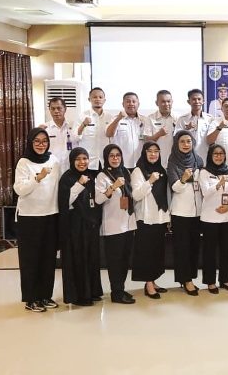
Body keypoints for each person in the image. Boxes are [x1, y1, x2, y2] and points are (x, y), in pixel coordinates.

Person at [13, 127, 61, 313]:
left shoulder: (54, 160)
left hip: (51, 214)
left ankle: (45, 295)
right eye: (37, 141)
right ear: (30, 142)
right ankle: (31, 299)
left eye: (44, 141)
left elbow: (58, 187)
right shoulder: (24, 162)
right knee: (30, 259)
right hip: (29, 217)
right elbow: (19, 189)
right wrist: (37, 178)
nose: (41, 145)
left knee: (48, 259)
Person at [58, 147, 103, 306]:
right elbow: (65, 202)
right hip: (75, 226)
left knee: (91, 258)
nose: (82, 162)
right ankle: (80, 296)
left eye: (85, 158)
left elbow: (94, 200)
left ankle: (92, 291)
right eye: (78, 159)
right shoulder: (67, 178)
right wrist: (79, 184)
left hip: (90, 224)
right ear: (72, 161)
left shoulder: (91, 175)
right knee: (78, 259)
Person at [95, 144, 137, 304]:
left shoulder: (125, 172)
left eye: (117, 155)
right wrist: (112, 187)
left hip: (128, 223)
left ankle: (121, 289)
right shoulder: (102, 176)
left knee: (125, 260)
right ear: (106, 158)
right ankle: (116, 293)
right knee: (115, 262)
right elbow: (98, 199)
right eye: (111, 156)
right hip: (113, 226)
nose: (115, 158)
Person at [130, 141, 171, 299]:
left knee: (157, 252)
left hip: (160, 217)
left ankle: (153, 280)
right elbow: (136, 195)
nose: (153, 154)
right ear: (144, 153)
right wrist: (150, 181)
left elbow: (166, 195)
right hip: (145, 218)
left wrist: (168, 216)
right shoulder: (138, 171)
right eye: (150, 151)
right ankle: (148, 284)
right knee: (146, 252)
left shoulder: (162, 170)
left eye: (156, 151)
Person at [200, 144, 228, 294]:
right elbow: (205, 193)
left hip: (227, 217)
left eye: (221, 154)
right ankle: (210, 282)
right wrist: (219, 184)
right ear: (210, 156)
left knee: (226, 251)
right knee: (209, 252)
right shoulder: (204, 172)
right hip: (210, 218)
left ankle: (225, 280)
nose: (219, 156)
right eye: (215, 154)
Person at [167, 131, 204, 296]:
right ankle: (186, 279)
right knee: (182, 249)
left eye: (189, 141)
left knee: (194, 247)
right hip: (180, 212)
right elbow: (174, 187)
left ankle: (190, 278)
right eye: (182, 141)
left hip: (197, 212)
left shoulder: (198, 160)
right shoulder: (173, 162)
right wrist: (183, 179)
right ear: (176, 144)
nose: (186, 144)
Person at [106, 92, 151, 168]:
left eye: (134, 101)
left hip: (140, 163)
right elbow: (109, 134)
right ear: (123, 104)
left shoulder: (144, 120)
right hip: (121, 163)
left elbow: (145, 138)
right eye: (128, 101)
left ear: (138, 104)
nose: (131, 104)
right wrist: (118, 119)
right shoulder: (115, 119)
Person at [75, 87, 112, 170]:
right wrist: (83, 124)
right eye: (95, 97)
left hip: (105, 161)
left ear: (104, 100)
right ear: (89, 99)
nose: (98, 99)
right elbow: (75, 137)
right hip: (87, 162)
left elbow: (112, 139)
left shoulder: (109, 117)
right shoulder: (82, 116)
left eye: (100, 97)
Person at [176, 88, 213, 161]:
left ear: (203, 101)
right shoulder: (182, 119)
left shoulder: (210, 119)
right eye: (194, 99)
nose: (197, 101)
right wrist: (186, 129)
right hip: (187, 159)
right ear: (188, 101)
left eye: (199, 99)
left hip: (206, 158)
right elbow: (176, 138)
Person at [146, 90, 176, 168]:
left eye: (168, 101)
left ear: (172, 102)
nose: (166, 104)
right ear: (157, 103)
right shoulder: (150, 118)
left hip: (174, 162)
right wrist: (159, 134)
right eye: (163, 101)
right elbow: (146, 140)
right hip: (156, 162)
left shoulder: (178, 118)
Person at [41, 97, 73, 168]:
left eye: (59, 108)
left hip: (70, 167)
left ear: (65, 109)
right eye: (53, 109)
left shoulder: (73, 126)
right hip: (51, 167)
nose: (56, 111)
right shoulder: (44, 128)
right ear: (49, 110)